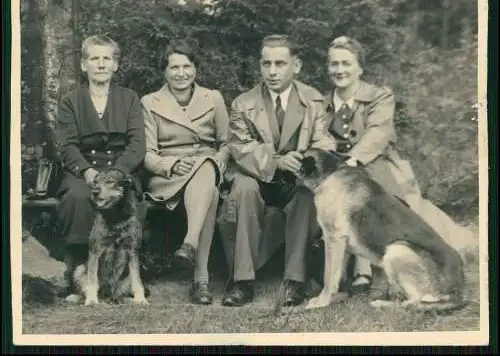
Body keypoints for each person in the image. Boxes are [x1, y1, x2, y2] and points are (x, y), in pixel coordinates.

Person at [320, 35, 469, 297]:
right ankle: (350, 273)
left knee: (377, 195)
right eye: (334, 64)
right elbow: (319, 138)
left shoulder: (379, 96)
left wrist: (353, 161)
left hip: (376, 162)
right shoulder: (322, 103)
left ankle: (376, 274)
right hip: (339, 173)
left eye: (346, 63)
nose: (340, 70)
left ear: (360, 68)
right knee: (335, 202)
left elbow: (378, 134)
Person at [218, 34, 337, 307]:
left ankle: (295, 280)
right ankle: (242, 281)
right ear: (259, 66)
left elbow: (324, 142)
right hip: (257, 177)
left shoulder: (314, 101)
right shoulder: (242, 103)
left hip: (296, 180)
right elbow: (241, 148)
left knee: (307, 196)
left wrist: (304, 161)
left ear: (296, 66)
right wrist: (276, 161)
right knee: (243, 190)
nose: (272, 72)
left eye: (280, 64)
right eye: (266, 63)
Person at [141, 39, 230, 305]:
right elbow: (146, 152)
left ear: (196, 69)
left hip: (207, 166)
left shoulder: (213, 98)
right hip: (169, 175)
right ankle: (200, 279)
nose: (181, 73)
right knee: (210, 194)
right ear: (164, 71)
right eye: (174, 67)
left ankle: (189, 244)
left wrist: (217, 161)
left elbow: (226, 143)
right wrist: (169, 165)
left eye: (187, 66)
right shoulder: (150, 102)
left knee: (206, 170)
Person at [56, 34, 146, 296]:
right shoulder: (70, 101)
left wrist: (117, 172)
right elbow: (67, 145)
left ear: (116, 65)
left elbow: (137, 143)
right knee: (76, 197)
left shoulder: (129, 98)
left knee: (125, 200)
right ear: (84, 65)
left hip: (120, 170)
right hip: (84, 169)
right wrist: (86, 170)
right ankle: (75, 269)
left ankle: (123, 273)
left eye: (107, 58)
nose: (101, 64)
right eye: (94, 58)